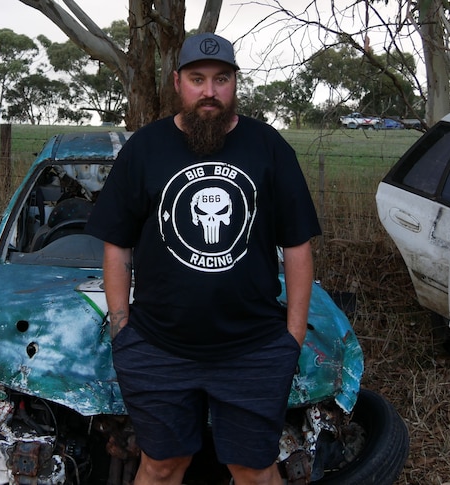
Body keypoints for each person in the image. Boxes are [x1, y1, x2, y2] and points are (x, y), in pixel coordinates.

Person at [85, 32, 321, 485]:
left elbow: (297, 246)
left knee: (254, 470)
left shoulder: (269, 149)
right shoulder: (145, 148)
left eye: (221, 79)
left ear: (235, 83)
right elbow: (117, 243)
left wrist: (291, 337)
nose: (209, 91)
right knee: (160, 466)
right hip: (157, 347)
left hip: (253, 348)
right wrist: (121, 326)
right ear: (178, 82)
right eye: (197, 78)